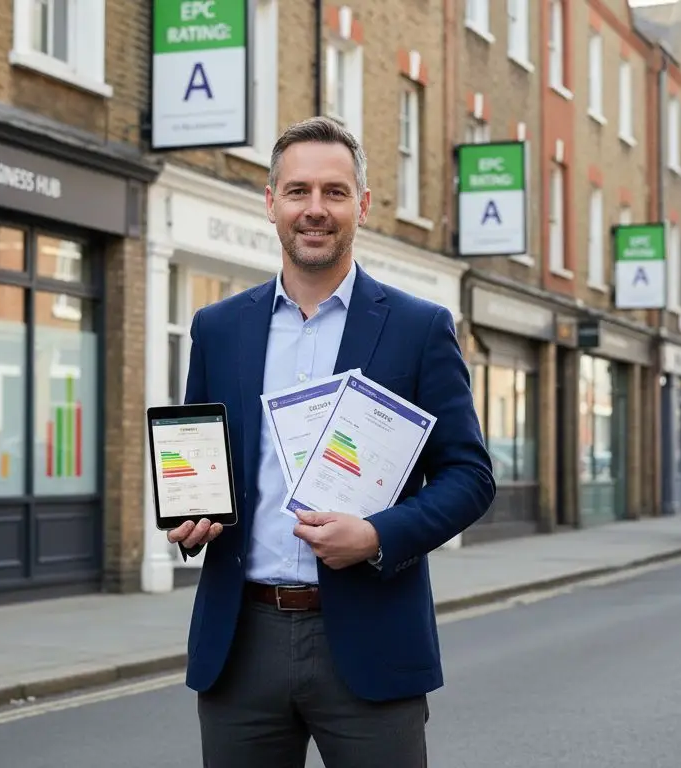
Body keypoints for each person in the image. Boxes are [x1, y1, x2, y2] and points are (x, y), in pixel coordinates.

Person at [166, 116, 496, 768]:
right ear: (271, 202)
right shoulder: (218, 328)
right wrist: (191, 517)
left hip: (372, 639)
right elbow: (200, 462)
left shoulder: (419, 328)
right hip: (241, 642)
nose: (314, 209)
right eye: (298, 191)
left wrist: (378, 536)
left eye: (335, 192)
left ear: (362, 206)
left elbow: (470, 475)